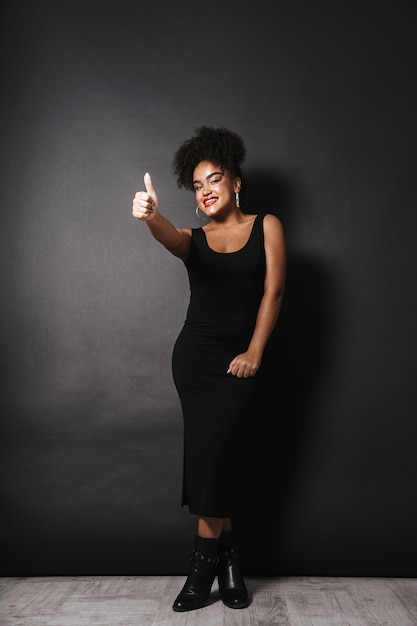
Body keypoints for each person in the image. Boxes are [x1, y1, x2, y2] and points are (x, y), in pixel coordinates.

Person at [132, 126, 286, 612]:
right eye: (198, 186)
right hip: (195, 362)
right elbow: (172, 239)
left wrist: (256, 351)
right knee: (212, 456)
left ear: (236, 182)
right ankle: (230, 565)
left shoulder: (267, 226)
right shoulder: (195, 238)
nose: (207, 191)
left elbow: (273, 293)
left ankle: (204, 567)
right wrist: (153, 216)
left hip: (241, 361)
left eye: (215, 179)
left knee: (215, 454)